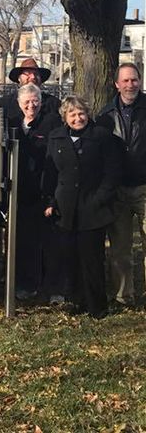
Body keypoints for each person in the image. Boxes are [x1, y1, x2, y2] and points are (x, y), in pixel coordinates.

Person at [43, 96, 121, 318]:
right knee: (70, 257)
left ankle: (97, 305)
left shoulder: (101, 137)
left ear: (88, 114)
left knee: (92, 259)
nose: (77, 118)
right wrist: (50, 201)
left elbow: (112, 172)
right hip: (65, 207)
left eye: (81, 114)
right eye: (72, 114)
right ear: (65, 118)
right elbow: (50, 174)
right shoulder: (56, 138)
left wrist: (100, 198)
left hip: (92, 206)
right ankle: (77, 300)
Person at [97, 63, 146, 306]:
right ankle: (124, 296)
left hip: (144, 186)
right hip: (118, 190)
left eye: (134, 80)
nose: (130, 85)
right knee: (120, 249)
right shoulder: (105, 116)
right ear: (116, 84)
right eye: (125, 81)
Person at [8, 83, 61, 300]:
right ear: (20, 104)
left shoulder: (51, 124)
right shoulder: (13, 126)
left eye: (35, 100)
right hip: (21, 192)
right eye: (27, 102)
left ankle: (52, 287)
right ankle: (26, 285)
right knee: (25, 241)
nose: (31, 105)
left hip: (45, 190)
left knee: (49, 243)